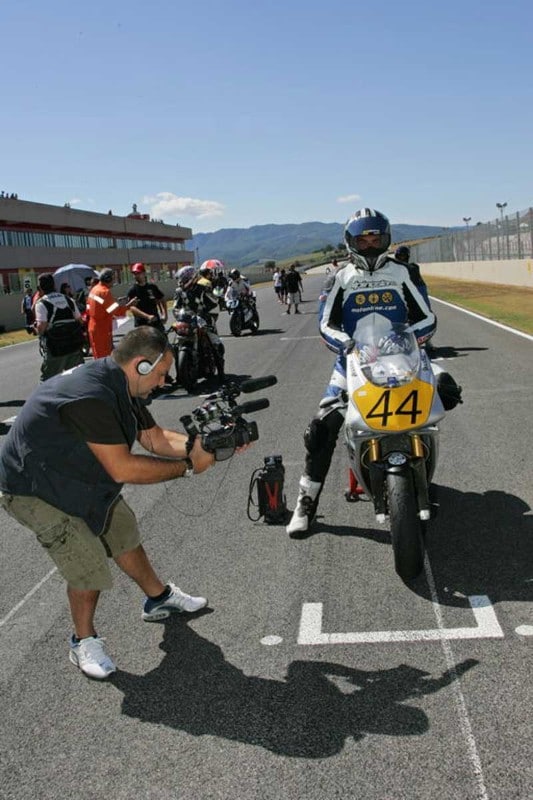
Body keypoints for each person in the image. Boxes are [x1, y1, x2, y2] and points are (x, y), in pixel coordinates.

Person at [0, 326, 234, 681]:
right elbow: (123, 467)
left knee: (122, 530)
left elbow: (154, 438)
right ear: (141, 365)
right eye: (160, 372)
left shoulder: (121, 385)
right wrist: (188, 468)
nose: (164, 380)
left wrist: (202, 446)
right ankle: (83, 641)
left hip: (73, 475)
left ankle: (158, 598)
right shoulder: (92, 396)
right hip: (32, 488)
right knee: (87, 561)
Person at [286, 208, 460, 536]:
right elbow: (324, 324)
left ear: (386, 239)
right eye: (362, 239)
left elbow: (427, 317)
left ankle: (422, 469)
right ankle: (306, 503)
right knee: (322, 429)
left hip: (405, 357)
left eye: (374, 238)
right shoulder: (339, 277)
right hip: (353, 362)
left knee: (448, 390)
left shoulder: (403, 272)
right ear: (351, 242)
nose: (369, 244)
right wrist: (348, 344)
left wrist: (405, 337)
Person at [33, 273, 85, 381]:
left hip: (56, 348)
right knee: (77, 378)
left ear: (40, 288)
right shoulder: (68, 299)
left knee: (49, 381)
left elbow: (41, 328)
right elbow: (80, 320)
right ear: (54, 286)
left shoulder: (41, 303)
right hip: (73, 345)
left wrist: (35, 329)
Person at [86, 268, 137, 359]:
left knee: (97, 356)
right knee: (104, 358)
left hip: (93, 327)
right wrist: (129, 305)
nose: (114, 281)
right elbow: (116, 311)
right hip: (102, 330)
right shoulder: (104, 292)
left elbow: (92, 307)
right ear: (108, 279)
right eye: (113, 279)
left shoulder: (94, 289)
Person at [127, 262, 167, 332]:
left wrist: (165, 315)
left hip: (155, 323)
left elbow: (162, 299)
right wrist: (147, 316)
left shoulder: (152, 287)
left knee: (163, 341)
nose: (136, 276)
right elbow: (132, 308)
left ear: (144, 273)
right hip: (141, 325)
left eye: (138, 273)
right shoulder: (133, 290)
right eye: (134, 274)